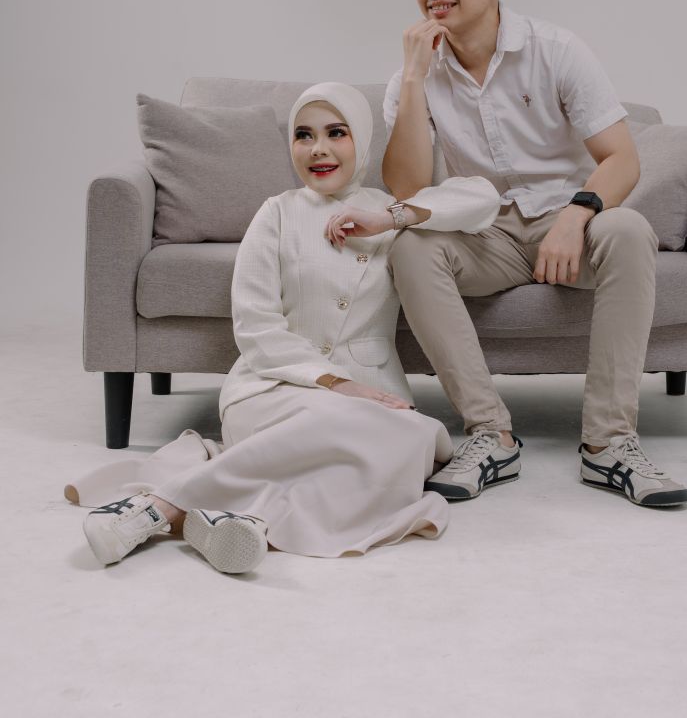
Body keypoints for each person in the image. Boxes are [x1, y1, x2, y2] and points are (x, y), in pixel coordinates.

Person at [70, 82, 501, 571]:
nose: (318, 148)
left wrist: (390, 217)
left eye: (336, 133)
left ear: (361, 139)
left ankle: (226, 521)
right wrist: (335, 383)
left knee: (414, 440)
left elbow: (482, 198)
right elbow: (255, 326)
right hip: (272, 387)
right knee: (356, 433)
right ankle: (158, 507)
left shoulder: (386, 212)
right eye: (303, 135)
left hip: (373, 398)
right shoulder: (276, 212)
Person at [383, 0, 687, 508]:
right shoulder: (413, 75)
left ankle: (608, 445)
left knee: (628, 229)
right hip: (483, 233)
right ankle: (489, 435)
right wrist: (415, 78)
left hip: (565, 223)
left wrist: (576, 216)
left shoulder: (556, 50)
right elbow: (407, 188)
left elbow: (622, 158)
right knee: (410, 245)